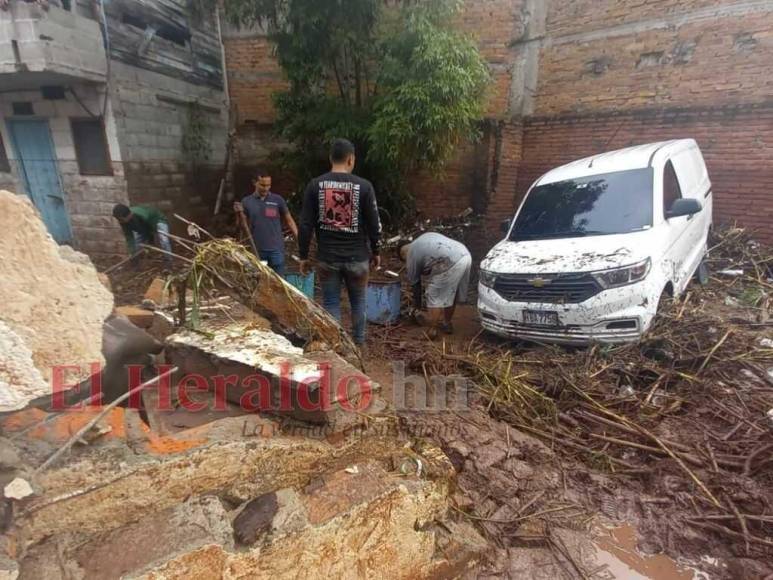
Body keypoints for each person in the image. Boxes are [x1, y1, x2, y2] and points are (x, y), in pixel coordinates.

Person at [298, 139, 381, 346]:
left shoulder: (315, 185)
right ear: (351, 159)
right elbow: (374, 224)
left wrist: (302, 255)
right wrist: (376, 250)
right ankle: (359, 346)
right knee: (359, 302)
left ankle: (336, 346)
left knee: (331, 303)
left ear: (330, 158)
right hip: (358, 258)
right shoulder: (364, 186)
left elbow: (305, 225)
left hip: (327, 258)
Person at [399, 232, 472, 340]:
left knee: (433, 294)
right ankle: (447, 323)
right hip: (465, 255)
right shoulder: (423, 239)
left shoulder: (411, 254)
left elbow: (416, 285)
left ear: (403, 254)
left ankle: (432, 331)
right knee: (451, 291)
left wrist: (417, 308)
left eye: (404, 259)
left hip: (450, 261)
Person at [234, 170, 298, 276]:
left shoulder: (278, 200)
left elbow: (289, 220)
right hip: (257, 251)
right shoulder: (247, 202)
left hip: (276, 250)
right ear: (254, 183)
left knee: (279, 283)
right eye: (263, 185)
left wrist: (298, 238)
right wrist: (237, 214)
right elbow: (240, 227)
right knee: (260, 281)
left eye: (268, 185)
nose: (266, 188)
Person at [112, 204, 172, 269]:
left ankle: (168, 263)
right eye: (119, 219)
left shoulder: (141, 214)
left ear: (128, 216)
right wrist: (132, 252)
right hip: (143, 228)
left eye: (121, 219)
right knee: (137, 246)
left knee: (164, 240)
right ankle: (136, 264)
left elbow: (151, 228)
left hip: (157, 221)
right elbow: (129, 237)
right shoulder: (123, 222)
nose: (120, 221)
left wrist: (151, 239)